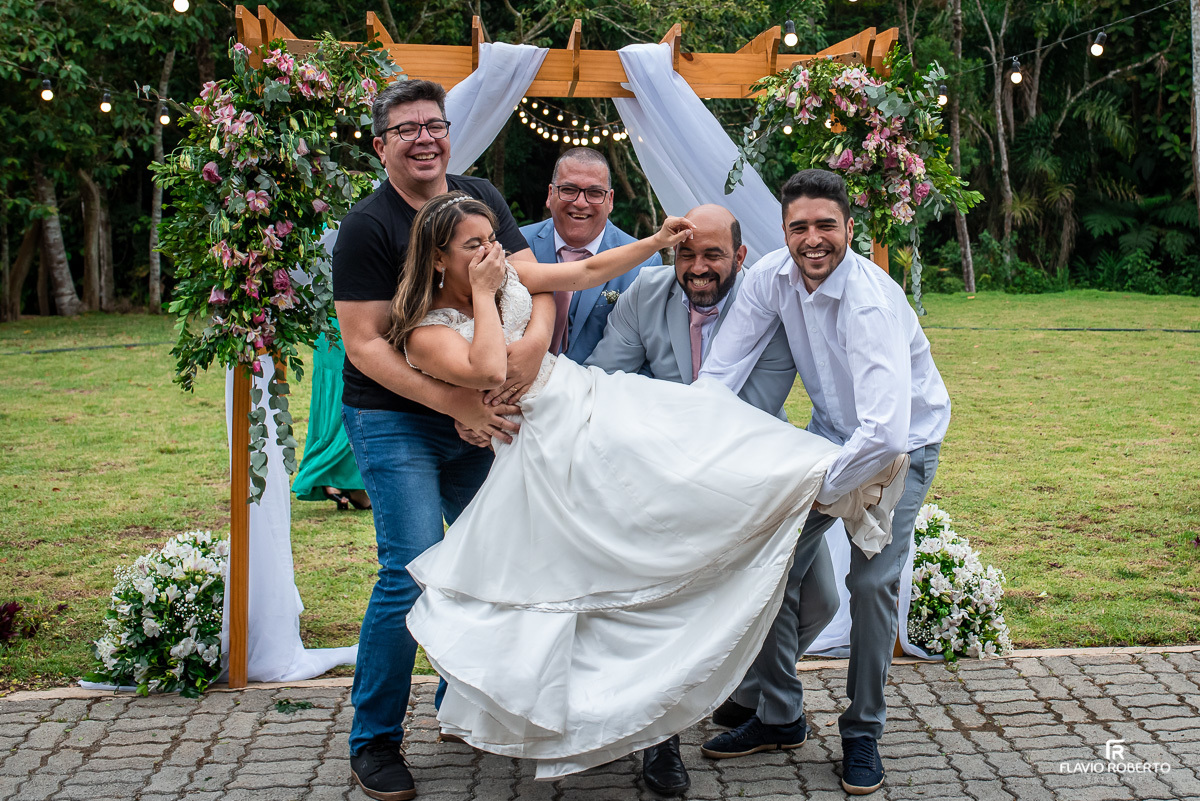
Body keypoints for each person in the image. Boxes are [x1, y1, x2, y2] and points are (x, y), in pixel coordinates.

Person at [398, 190, 907, 783]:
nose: (492, 252)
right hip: (545, 443)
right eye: (474, 245)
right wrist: (490, 300)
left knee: (689, 539)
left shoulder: (511, 274)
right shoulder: (424, 332)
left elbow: (581, 273)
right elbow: (489, 368)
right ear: (437, 259)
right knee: (599, 579)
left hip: (585, 398)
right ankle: (638, 723)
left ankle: (841, 484)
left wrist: (654, 244)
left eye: (492, 239)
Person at [332, 79, 553, 801]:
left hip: (480, 411)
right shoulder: (367, 227)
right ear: (381, 145)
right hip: (395, 417)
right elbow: (364, 347)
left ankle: (461, 703)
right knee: (413, 567)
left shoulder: (479, 194)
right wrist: (456, 400)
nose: (424, 137)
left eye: (434, 124)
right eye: (406, 129)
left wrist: (532, 351)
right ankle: (375, 741)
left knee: (500, 557)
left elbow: (533, 281)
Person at [698, 169, 951, 796]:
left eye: (826, 226)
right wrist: (685, 439)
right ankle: (780, 715)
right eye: (799, 227)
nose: (813, 240)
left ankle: (863, 730)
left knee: (870, 583)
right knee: (770, 563)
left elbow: (886, 435)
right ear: (784, 229)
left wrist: (816, 487)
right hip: (833, 437)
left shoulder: (869, 301)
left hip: (903, 448)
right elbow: (720, 373)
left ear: (849, 228)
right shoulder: (769, 279)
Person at [584, 204, 841, 796]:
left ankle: (741, 692)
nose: (697, 268)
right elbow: (606, 377)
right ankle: (659, 737)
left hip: (749, 474)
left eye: (712, 255)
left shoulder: (770, 308)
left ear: (740, 257)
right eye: (686, 254)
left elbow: (752, 404)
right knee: (662, 608)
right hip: (658, 480)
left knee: (817, 602)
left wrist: (656, 410)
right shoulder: (645, 294)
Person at [521, 147, 661, 362]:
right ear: (550, 194)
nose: (580, 202)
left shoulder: (643, 263)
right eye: (568, 189)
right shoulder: (517, 245)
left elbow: (648, 352)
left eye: (595, 193)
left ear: (610, 200)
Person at [290, 319, 371, 511]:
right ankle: (339, 478)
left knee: (337, 392)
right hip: (344, 315)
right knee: (349, 386)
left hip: (329, 314)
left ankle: (339, 481)